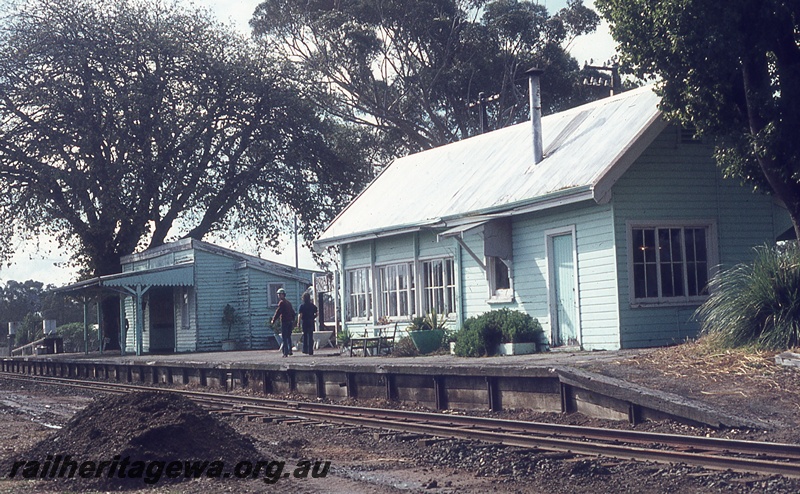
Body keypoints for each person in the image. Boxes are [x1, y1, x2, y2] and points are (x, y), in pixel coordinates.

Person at [271, 288, 295, 357]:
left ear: (283, 295)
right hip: (290, 321)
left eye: (279, 294)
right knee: (288, 336)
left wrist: (273, 320)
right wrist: (293, 320)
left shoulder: (281, 303)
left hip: (285, 321)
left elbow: (278, 312)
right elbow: (293, 312)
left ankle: (285, 352)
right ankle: (290, 350)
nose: (278, 296)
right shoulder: (289, 303)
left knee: (284, 337)